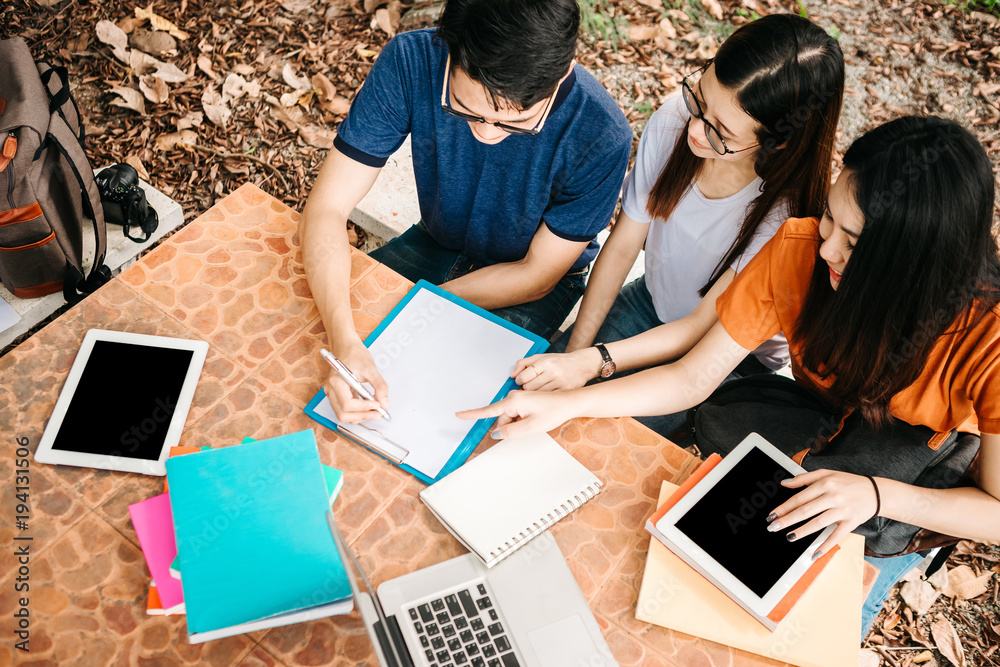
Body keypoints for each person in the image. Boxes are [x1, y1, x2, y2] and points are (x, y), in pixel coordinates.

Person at [459, 116, 1000, 635]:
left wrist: (878, 495)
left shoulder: (989, 339)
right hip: (813, 422)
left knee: (807, 620)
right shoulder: (800, 248)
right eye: (831, 216)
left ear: (916, 264)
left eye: (855, 244)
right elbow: (692, 377)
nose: (827, 247)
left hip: (908, 464)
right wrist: (568, 403)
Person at [508, 13, 845, 438]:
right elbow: (622, 245)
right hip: (650, 303)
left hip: (727, 357)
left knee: (595, 437)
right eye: (699, 100)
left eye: (722, 132)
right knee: (533, 399)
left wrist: (592, 362)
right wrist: (576, 350)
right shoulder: (673, 122)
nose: (696, 131)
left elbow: (700, 327)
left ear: (776, 143)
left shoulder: (786, 215)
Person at [300, 0, 632, 423]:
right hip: (435, 241)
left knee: (455, 416)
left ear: (562, 72)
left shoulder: (601, 134)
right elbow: (327, 207)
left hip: (528, 281)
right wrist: (345, 340)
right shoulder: (412, 60)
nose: (488, 133)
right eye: (466, 109)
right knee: (312, 354)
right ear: (449, 48)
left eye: (515, 123)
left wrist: (413, 310)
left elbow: (536, 275)